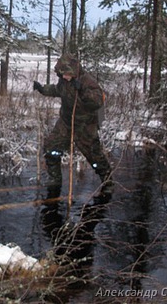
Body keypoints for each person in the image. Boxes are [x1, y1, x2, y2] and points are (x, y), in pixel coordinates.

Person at [33, 54, 113, 199]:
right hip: (66, 122)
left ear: (73, 71)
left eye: (67, 74)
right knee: (51, 147)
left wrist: (82, 90)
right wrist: (42, 89)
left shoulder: (87, 82)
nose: (65, 77)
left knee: (94, 157)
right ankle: (55, 179)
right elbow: (57, 90)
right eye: (62, 75)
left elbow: (98, 101)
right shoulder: (64, 80)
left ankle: (108, 183)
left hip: (85, 126)